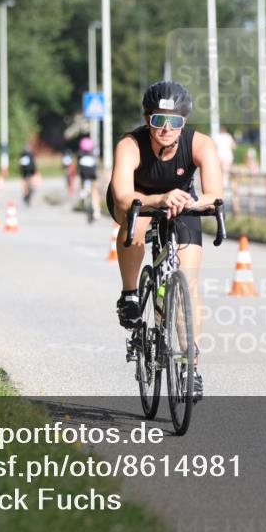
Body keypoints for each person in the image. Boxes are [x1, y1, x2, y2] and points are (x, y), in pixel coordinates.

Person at [107, 81, 223, 401]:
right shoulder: (130, 145)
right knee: (136, 222)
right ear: (148, 120)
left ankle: (190, 367)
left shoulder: (201, 144)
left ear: (184, 122)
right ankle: (130, 293)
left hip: (182, 203)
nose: (167, 129)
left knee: (188, 282)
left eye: (175, 122)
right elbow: (122, 195)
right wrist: (159, 198)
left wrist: (191, 203)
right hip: (138, 200)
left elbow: (215, 195)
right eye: (159, 121)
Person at [76, 136, 99, 214]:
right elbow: (96, 166)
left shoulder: (80, 154)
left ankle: (82, 192)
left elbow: (78, 167)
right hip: (92, 174)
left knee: (82, 180)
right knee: (94, 190)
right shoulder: (93, 154)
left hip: (84, 174)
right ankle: (97, 209)